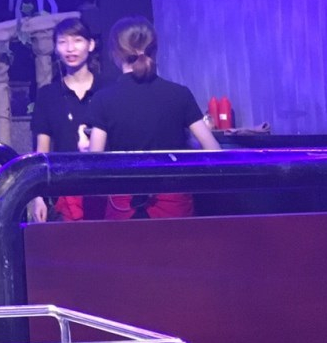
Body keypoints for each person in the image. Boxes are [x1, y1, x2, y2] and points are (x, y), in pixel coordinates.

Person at [84, 17, 221, 219]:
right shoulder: (179, 94)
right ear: (154, 50)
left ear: (115, 53)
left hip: (123, 211)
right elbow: (214, 151)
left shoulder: (103, 100)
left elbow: (94, 165)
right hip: (174, 210)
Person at [31, 17, 101, 221]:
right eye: (63, 42)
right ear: (56, 48)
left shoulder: (107, 90)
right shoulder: (48, 95)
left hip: (105, 188)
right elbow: (42, 149)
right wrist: (38, 197)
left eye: (77, 40)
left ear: (91, 45)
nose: (70, 48)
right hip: (64, 192)